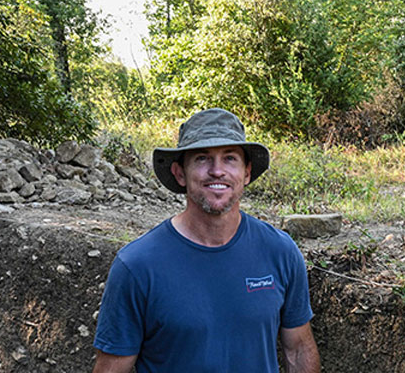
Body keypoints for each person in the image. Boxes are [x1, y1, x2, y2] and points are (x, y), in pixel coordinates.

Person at [91, 108, 320, 373]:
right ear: (179, 173)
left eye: (230, 158)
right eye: (202, 159)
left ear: (246, 173)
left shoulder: (280, 251)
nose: (217, 171)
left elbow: (299, 349)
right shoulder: (137, 266)